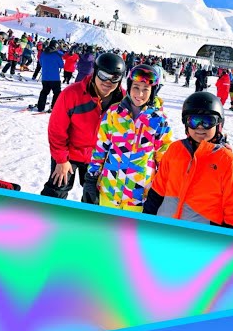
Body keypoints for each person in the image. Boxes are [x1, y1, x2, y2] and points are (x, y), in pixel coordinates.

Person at [142, 92, 233, 230]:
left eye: (207, 121)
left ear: (219, 125)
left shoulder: (230, 164)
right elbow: (157, 192)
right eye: (194, 121)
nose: (200, 127)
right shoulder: (175, 150)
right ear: (186, 124)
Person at [86, 64, 174, 213]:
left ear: (153, 91)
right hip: (109, 191)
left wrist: (161, 189)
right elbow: (100, 149)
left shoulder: (159, 120)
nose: (139, 94)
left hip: (139, 196)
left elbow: (164, 157)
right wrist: (91, 178)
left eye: (145, 89)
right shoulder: (114, 113)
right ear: (129, 87)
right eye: (136, 87)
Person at [40, 52, 126, 202]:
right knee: (56, 189)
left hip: (98, 159)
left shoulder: (124, 101)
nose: (107, 82)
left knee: (95, 199)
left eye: (114, 78)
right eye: (103, 75)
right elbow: (56, 130)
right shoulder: (71, 94)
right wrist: (61, 160)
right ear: (95, 72)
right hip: (69, 154)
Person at [32, 40, 64, 113]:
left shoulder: (43, 53)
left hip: (45, 77)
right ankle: (54, 107)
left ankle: (40, 107)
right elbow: (62, 65)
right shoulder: (56, 54)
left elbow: (40, 63)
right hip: (55, 77)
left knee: (44, 92)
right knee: (57, 93)